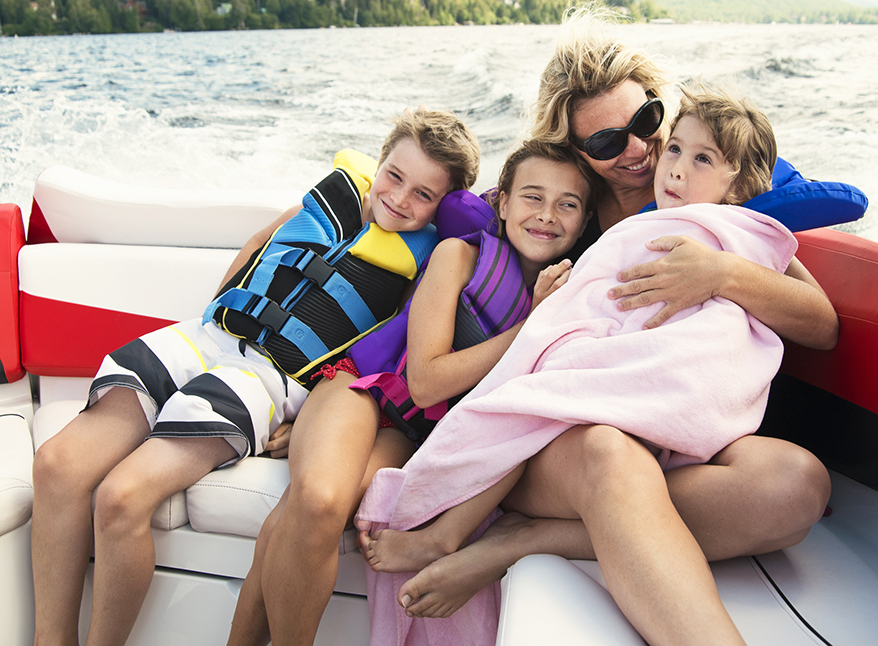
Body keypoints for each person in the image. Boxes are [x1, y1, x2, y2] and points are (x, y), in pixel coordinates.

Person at [356, 83, 797, 646]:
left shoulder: (734, 230)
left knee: (795, 483)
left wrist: (722, 274)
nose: (644, 151)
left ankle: (530, 537)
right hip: (571, 436)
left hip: (666, 414)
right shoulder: (578, 226)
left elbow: (818, 320)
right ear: (580, 154)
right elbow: (559, 339)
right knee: (608, 453)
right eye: (607, 139)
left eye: (647, 121)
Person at [30, 106, 480, 646]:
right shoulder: (320, 204)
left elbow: (382, 361)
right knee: (56, 464)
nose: (401, 199)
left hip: (270, 377)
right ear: (379, 161)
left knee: (122, 498)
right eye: (395, 176)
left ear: (441, 206)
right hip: (206, 336)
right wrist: (215, 321)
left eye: (423, 195)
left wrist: (307, 415)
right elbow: (255, 252)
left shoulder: (420, 267)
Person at [225, 139, 594, 646]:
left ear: (584, 219)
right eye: (532, 197)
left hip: (416, 437)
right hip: (364, 391)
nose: (547, 216)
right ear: (503, 203)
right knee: (317, 500)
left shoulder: (575, 295)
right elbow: (424, 382)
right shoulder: (458, 256)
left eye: (567, 204)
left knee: (306, 516)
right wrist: (530, 325)